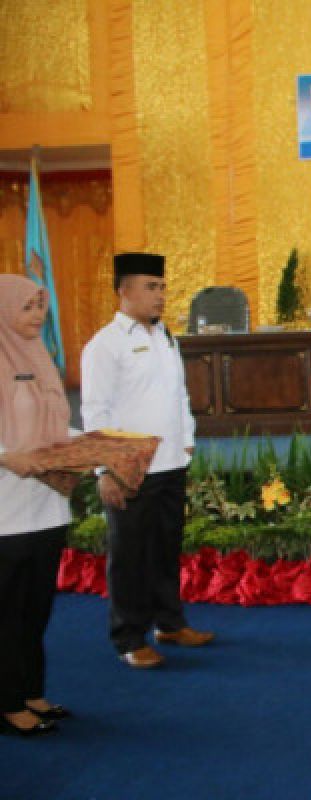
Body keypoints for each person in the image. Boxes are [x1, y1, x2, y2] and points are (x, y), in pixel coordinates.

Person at [81, 252, 213, 669]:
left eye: (162, 287)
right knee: (130, 555)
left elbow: (180, 396)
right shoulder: (105, 345)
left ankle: (170, 622)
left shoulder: (165, 337)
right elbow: (95, 411)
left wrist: (187, 439)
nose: (160, 296)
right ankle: (128, 637)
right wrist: (106, 469)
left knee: (164, 547)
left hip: (171, 461)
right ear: (124, 291)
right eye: (151, 287)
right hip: (130, 469)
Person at [0, 276, 71, 737]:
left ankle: (31, 691)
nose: (37, 316)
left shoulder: (41, 356)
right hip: (4, 512)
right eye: (28, 307)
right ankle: (6, 703)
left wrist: (95, 448)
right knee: (5, 612)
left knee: (35, 609)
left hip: (47, 506)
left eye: (41, 306)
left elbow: (58, 427)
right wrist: (7, 456)